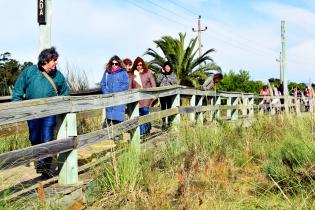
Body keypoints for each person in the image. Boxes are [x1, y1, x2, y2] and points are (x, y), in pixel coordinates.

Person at [12, 47, 69, 178]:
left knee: (47, 138)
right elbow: (18, 90)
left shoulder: (58, 75)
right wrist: (17, 108)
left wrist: (61, 108)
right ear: (46, 60)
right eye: (54, 60)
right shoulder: (29, 71)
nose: (56, 63)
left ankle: (45, 168)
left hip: (49, 112)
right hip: (31, 113)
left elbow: (65, 92)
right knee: (34, 138)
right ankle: (40, 161)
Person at [100, 55, 129, 127]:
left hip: (119, 99)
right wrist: (106, 93)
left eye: (116, 64)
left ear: (119, 64)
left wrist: (117, 93)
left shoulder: (123, 72)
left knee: (118, 119)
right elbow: (102, 84)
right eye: (112, 63)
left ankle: (118, 136)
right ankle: (107, 135)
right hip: (109, 98)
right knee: (109, 118)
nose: (114, 65)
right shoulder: (107, 72)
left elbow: (126, 85)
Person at [131, 57, 156, 135]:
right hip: (137, 99)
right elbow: (130, 86)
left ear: (143, 65)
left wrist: (153, 96)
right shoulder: (133, 74)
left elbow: (153, 85)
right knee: (139, 115)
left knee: (145, 112)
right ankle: (143, 133)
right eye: (137, 65)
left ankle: (146, 130)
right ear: (135, 65)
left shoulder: (148, 72)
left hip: (146, 98)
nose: (139, 66)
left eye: (140, 64)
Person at [156, 61, 178, 128]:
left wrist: (167, 77)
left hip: (170, 95)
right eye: (166, 67)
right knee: (163, 109)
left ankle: (169, 123)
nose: (167, 68)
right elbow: (157, 81)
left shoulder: (173, 74)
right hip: (162, 94)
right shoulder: (161, 74)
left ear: (170, 67)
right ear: (164, 68)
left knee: (169, 108)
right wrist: (162, 74)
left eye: (168, 67)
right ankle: (163, 124)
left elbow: (175, 83)